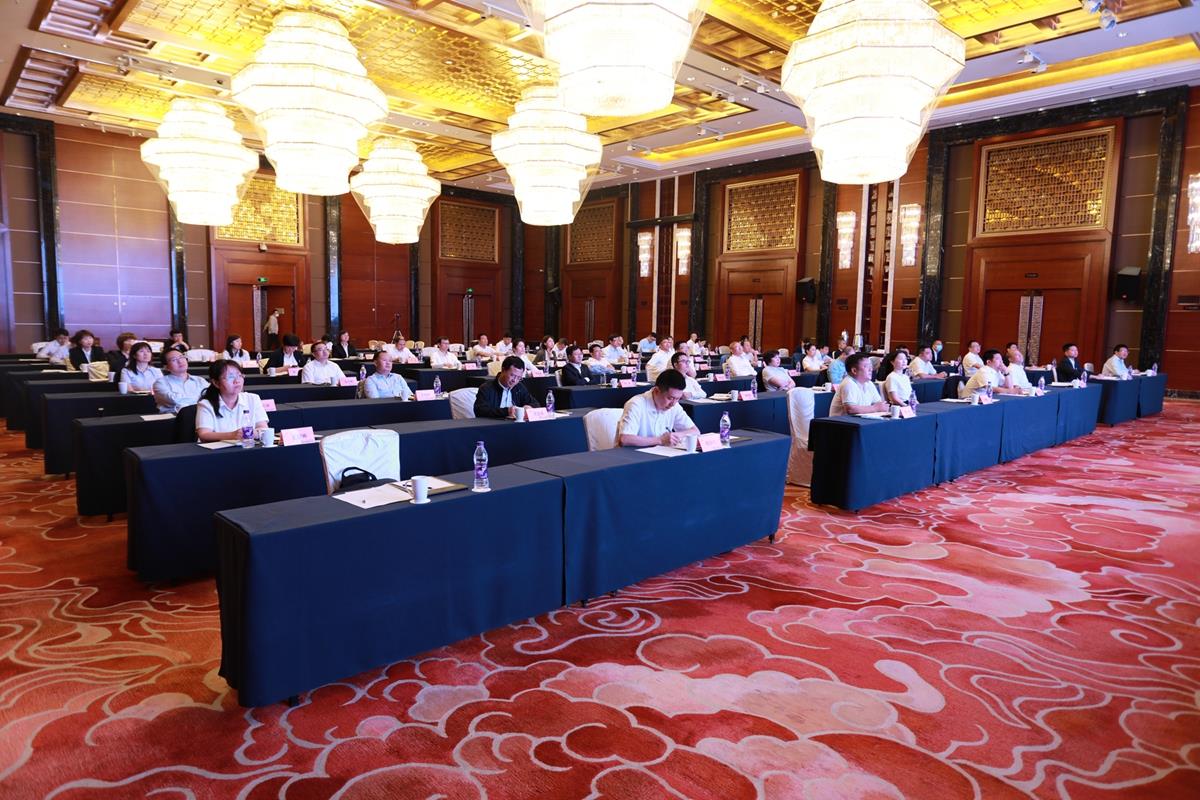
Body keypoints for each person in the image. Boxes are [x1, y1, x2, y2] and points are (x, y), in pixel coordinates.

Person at [617, 369, 700, 447]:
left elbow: (695, 431)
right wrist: (660, 440)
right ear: (656, 391)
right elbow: (625, 439)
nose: (673, 403)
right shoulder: (636, 404)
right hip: (634, 455)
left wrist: (676, 435)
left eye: (678, 398)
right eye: (670, 398)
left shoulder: (675, 406)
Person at [195, 360, 268, 443]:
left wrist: (255, 433)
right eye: (230, 377)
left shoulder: (253, 399)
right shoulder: (206, 404)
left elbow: (263, 428)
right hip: (218, 450)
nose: (237, 381)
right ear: (216, 383)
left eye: (239, 376)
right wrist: (232, 435)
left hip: (247, 447)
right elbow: (204, 434)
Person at [474, 355, 541, 419]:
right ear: (503, 370)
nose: (514, 380)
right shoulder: (486, 388)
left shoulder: (519, 387)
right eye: (512, 375)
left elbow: (536, 403)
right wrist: (507, 411)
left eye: (519, 378)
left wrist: (529, 407)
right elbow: (480, 411)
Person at [152, 349, 208, 414]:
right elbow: (175, 400)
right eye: (174, 360)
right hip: (174, 418)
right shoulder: (160, 383)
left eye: (181, 357)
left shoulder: (200, 380)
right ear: (166, 367)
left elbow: (211, 397)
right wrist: (199, 397)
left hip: (201, 415)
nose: (180, 361)